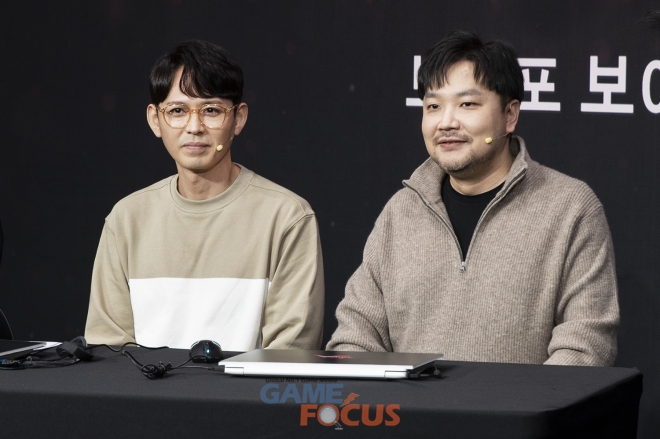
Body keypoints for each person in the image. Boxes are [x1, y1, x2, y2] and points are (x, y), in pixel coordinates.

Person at [327, 31, 618, 366]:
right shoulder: (400, 212)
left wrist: (510, 403)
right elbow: (355, 338)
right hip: (407, 404)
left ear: (510, 116)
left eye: (467, 104)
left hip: (522, 403)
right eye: (433, 106)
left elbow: (585, 347)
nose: (446, 122)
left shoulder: (571, 208)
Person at [85, 40, 324, 350]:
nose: (194, 127)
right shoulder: (126, 219)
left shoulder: (287, 218)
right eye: (177, 111)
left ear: (238, 118)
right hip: (143, 386)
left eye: (211, 110)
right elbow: (108, 350)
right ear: (155, 120)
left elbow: (289, 355)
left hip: (248, 386)